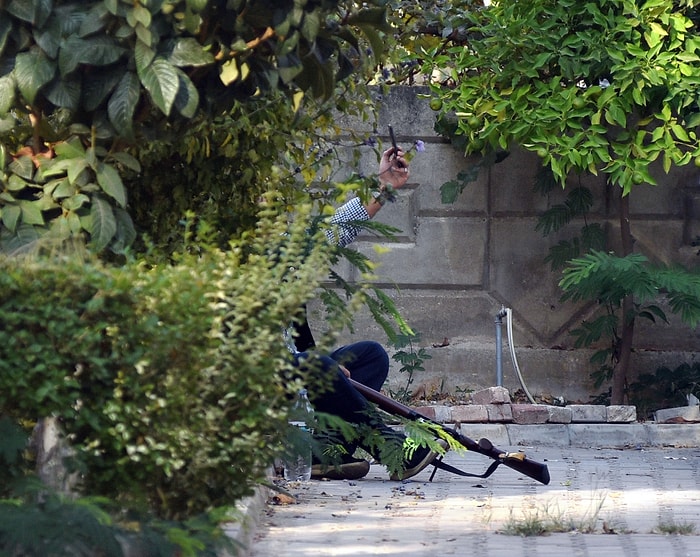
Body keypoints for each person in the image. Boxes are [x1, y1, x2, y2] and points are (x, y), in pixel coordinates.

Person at [288, 145, 447, 481]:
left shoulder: (280, 254)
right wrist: (320, 367)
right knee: (319, 365)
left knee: (370, 357)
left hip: (295, 370)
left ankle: (327, 448)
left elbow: (333, 232)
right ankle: (391, 447)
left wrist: (384, 187)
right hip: (261, 381)